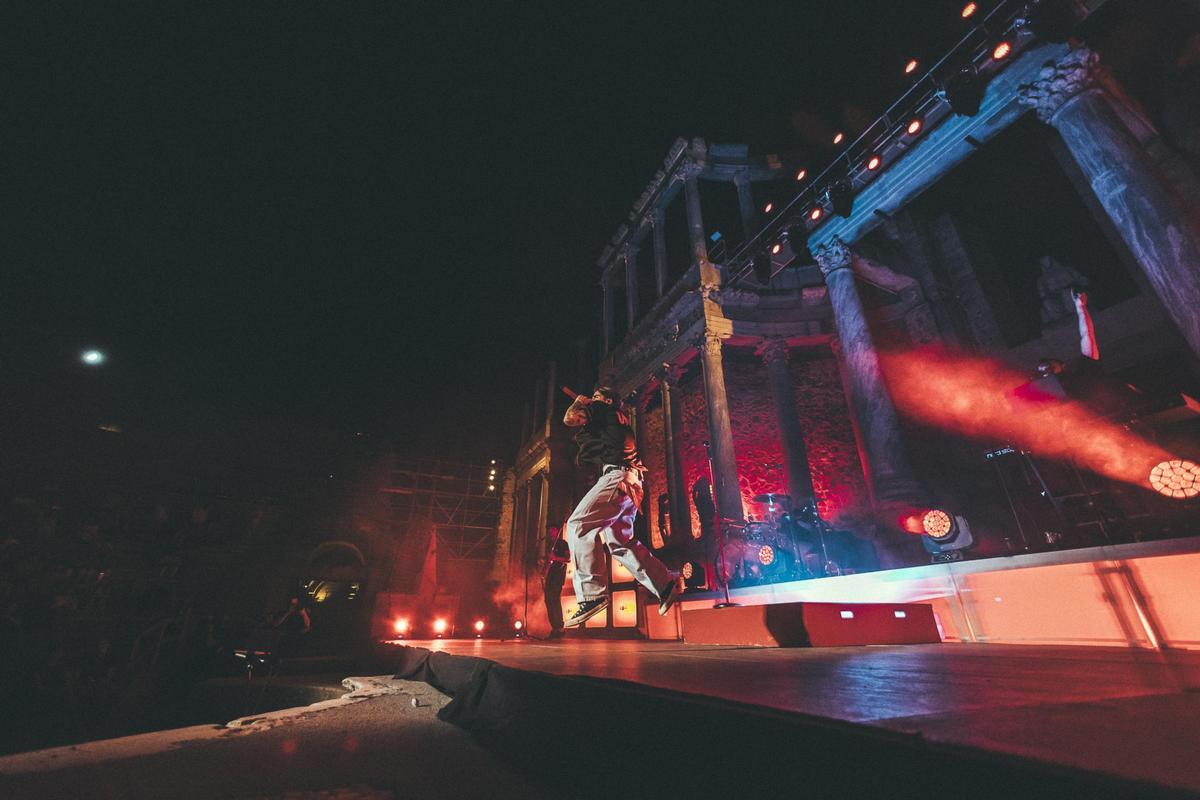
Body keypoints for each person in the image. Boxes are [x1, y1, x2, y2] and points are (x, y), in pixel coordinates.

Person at [561, 386, 680, 627]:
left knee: (578, 525)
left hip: (618, 477)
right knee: (620, 542)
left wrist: (580, 402)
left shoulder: (601, 409)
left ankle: (592, 595)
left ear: (606, 400)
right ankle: (665, 583)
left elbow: (570, 419)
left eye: (597, 396)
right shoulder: (615, 418)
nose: (593, 399)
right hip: (631, 481)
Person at [543, 525, 570, 638]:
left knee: (554, 599)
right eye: (549, 531)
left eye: (553, 530)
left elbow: (567, 559)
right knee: (548, 600)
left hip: (558, 576)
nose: (551, 532)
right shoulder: (550, 545)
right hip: (550, 576)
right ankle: (554, 628)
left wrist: (555, 558)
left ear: (557, 531)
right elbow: (549, 561)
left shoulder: (563, 543)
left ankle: (560, 627)